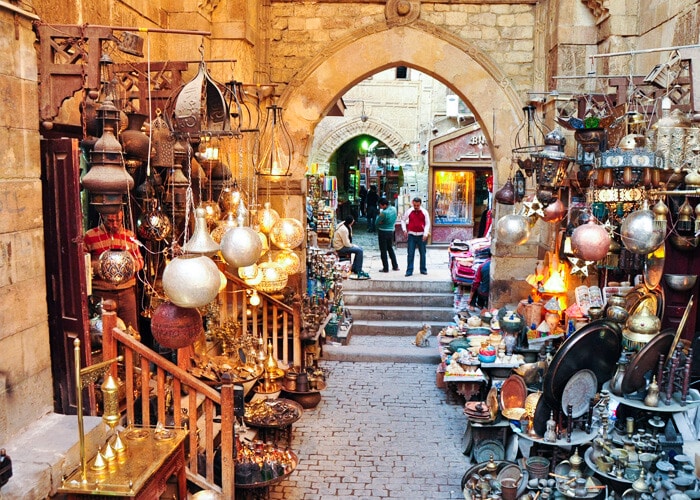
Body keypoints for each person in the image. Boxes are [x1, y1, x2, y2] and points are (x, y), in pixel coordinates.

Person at [84, 209, 145, 332]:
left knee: (131, 331)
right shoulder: (90, 236)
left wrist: (128, 266)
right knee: (105, 332)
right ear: (102, 215)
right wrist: (101, 267)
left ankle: (132, 352)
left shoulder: (130, 236)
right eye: (111, 221)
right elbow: (82, 264)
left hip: (127, 293)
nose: (115, 224)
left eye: (118, 220)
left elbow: (140, 261)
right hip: (102, 294)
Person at [332, 215, 370, 280]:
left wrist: (353, 245)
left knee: (359, 248)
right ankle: (358, 269)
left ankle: (355, 267)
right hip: (340, 247)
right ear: (351, 222)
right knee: (359, 250)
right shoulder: (343, 229)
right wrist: (353, 245)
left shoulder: (346, 225)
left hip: (343, 244)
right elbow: (346, 244)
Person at [401, 197, 430, 277]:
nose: (416, 207)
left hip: (421, 235)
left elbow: (427, 223)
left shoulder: (424, 212)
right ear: (412, 203)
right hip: (411, 234)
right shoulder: (409, 211)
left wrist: (425, 233)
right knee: (410, 253)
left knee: (423, 253)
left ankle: (423, 269)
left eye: (417, 205)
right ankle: (409, 270)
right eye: (415, 205)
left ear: (420, 204)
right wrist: (404, 230)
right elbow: (403, 220)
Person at [376, 198, 399, 273]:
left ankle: (385, 268)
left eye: (381, 206)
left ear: (384, 205)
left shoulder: (384, 213)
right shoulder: (394, 209)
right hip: (391, 231)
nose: (380, 207)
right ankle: (395, 266)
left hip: (383, 231)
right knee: (390, 248)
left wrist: (381, 222)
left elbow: (376, 222)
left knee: (383, 250)